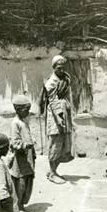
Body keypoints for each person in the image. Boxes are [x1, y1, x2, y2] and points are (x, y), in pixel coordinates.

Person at [43, 55, 74, 184]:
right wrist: (59, 117)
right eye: (59, 68)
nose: (61, 70)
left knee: (63, 145)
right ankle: (52, 172)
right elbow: (53, 101)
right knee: (55, 145)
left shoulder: (64, 79)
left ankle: (53, 171)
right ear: (54, 68)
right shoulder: (51, 83)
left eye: (63, 68)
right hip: (56, 118)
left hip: (64, 117)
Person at [9, 94, 36, 212]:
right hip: (20, 159)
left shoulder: (23, 121)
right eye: (26, 109)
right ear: (18, 110)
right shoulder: (15, 123)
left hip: (27, 157)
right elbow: (15, 143)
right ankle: (18, 207)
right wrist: (25, 146)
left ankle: (21, 205)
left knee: (27, 180)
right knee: (20, 183)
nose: (28, 112)